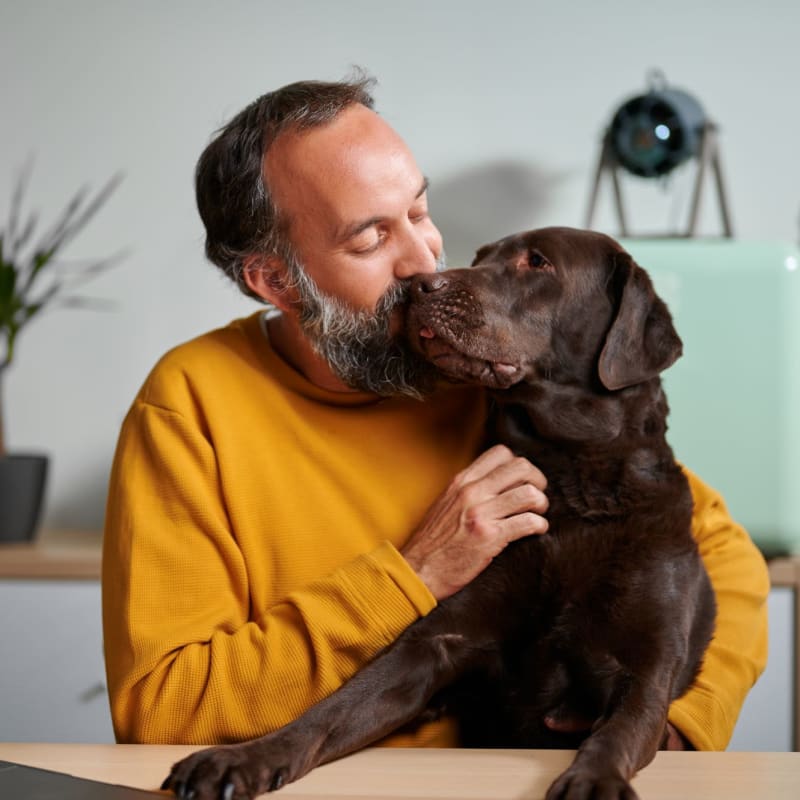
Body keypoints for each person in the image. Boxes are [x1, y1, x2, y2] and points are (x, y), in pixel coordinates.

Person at [102, 74, 769, 752]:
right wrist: (411, 578)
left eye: (420, 213)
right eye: (370, 239)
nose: (423, 263)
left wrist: (675, 728)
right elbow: (162, 709)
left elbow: (727, 559)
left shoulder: (493, 370)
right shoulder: (192, 404)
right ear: (275, 280)